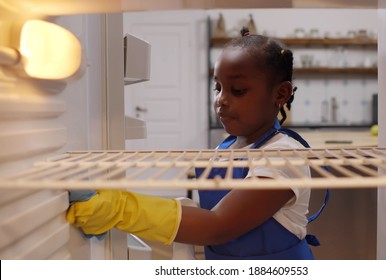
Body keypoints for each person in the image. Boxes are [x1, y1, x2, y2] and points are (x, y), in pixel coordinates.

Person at [67, 27, 320, 260]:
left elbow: (218, 226)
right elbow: (211, 214)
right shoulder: (225, 149)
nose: (221, 100)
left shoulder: (283, 156)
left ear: (280, 94)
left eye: (238, 90)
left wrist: (122, 210)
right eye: (218, 87)